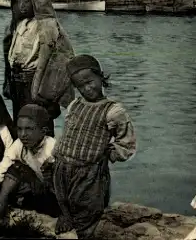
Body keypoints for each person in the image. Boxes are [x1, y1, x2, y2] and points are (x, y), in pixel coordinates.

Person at [52, 54, 137, 239]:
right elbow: (69, 131)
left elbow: (127, 142)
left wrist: (111, 153)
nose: (87, 88)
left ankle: (83, 231)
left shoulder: (113, 110)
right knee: (62, 197)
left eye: (90, 82)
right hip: (63, 165)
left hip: (89, 171)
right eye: (80, 86)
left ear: (100, 76)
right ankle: (65, 216)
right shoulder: (75, 105)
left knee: (87, 207)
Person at [2, 0, 75, 137]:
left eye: (27, 0)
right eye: (19, 1)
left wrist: (41, 89)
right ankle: (23, 153)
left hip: (34, 80)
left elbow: (53, 56)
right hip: (17, 80)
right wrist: (8, 80)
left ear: (37, 0)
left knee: (38, 119)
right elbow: (9, 52)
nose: (22, 5)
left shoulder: (47, 24)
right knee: (21, 120)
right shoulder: (17, 24)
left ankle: (45, 155)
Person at [0, 104, 61, 227]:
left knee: (19, 168)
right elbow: (2, 169)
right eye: (19, 129)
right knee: (14, 168)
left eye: (29, 129)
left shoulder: (52, 149)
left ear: (43, 131)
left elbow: (64, 186)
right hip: (36, 190)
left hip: (54, 197)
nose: (23, 134)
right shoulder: (19, 145)